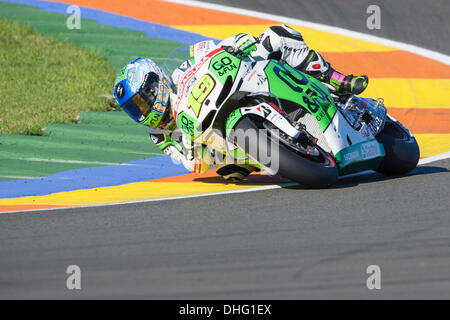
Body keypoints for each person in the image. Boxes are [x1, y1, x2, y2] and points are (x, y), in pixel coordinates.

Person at [113, 25, 369, 180]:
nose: (143, 109)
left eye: (142, 101)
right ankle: (281, 153)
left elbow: (208, 52)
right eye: (135, 108)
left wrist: (236, 43)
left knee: (275, 37)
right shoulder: (160, 135)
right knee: (228, 171)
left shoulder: (180, 73)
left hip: (230, 94)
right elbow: (193, 164)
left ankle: (333, 79)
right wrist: (191, 148)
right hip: (226, 146)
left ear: (157, 83)